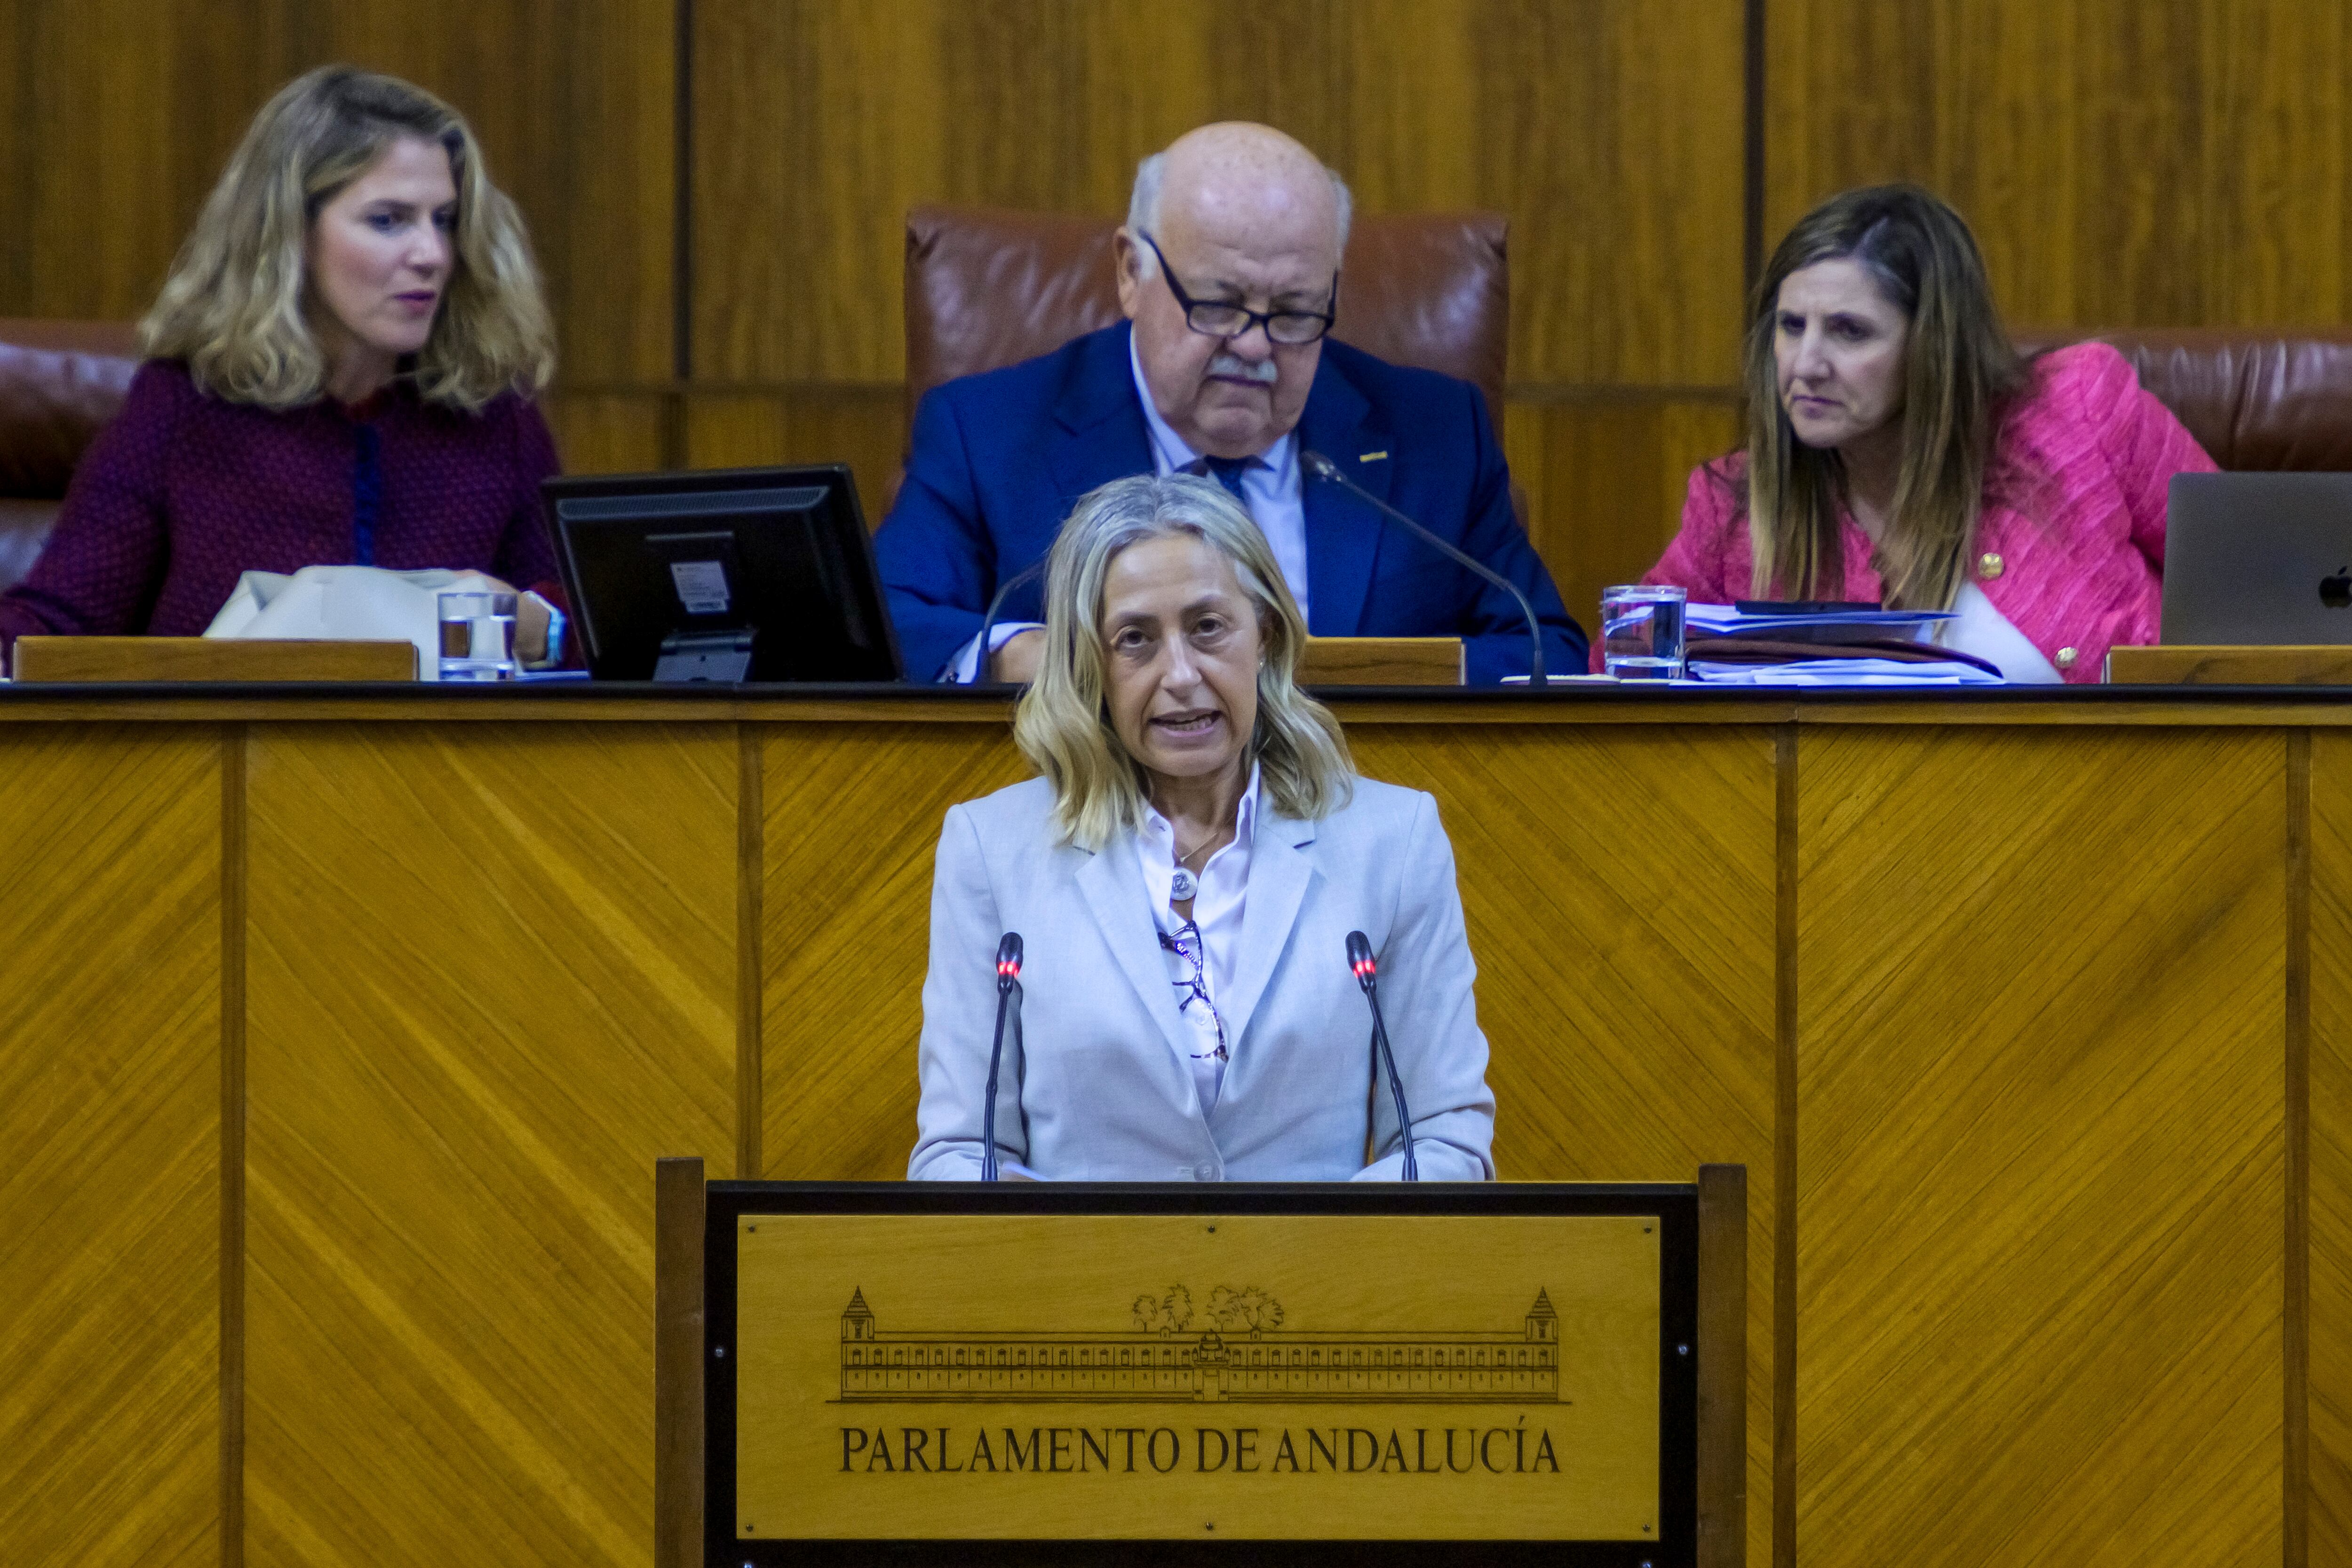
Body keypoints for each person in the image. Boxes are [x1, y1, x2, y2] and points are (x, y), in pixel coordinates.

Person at [907, 473, 1495, 1182]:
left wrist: (1307, 1262)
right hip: (1080, 1287)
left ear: (1265, 635)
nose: (1181, 674)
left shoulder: (1391, 840)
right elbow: (962, 1155)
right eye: (1135, 640)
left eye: (1209, 627)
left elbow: (1443, 1142)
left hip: (1321, 1286)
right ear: (1088, 664)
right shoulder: (993, 849)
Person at [876, 122, 1584, 687]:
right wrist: (1028, 656)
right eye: (1218, 305)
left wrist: (1399, 678)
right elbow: (891, 622)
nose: (1253, 346)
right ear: (1131, 272)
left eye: (1296, 311)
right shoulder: (990, 431)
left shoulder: (1436, 434)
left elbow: (1543, 644)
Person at [0, 66, 567, 669]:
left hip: (440, 762)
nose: (431, 254)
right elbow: (53, 624)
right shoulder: (185, 407)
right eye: (388, 220)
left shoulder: (493, 416)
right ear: (291, 234)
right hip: (224, 758)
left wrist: (542, 628)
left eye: (444, 220)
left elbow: (590, 625)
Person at [1629, 183, 2216, 682]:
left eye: (1849, 332)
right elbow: (1622, 666)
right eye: (1789, 326)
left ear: (1932, 348)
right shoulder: (1737, 505)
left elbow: (2253, 592)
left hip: (2135, 794)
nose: (1804, 364)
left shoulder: (2077, 410)